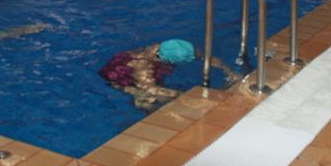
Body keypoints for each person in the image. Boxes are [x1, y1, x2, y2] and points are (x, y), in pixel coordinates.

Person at [99, 39, 241, 111]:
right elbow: (151, 89)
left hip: (144, 69)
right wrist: (184, 96)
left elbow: (204, 56)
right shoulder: (143, 67)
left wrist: (228, 71)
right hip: (123, 80)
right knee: (147, 100)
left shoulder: (169, 47)